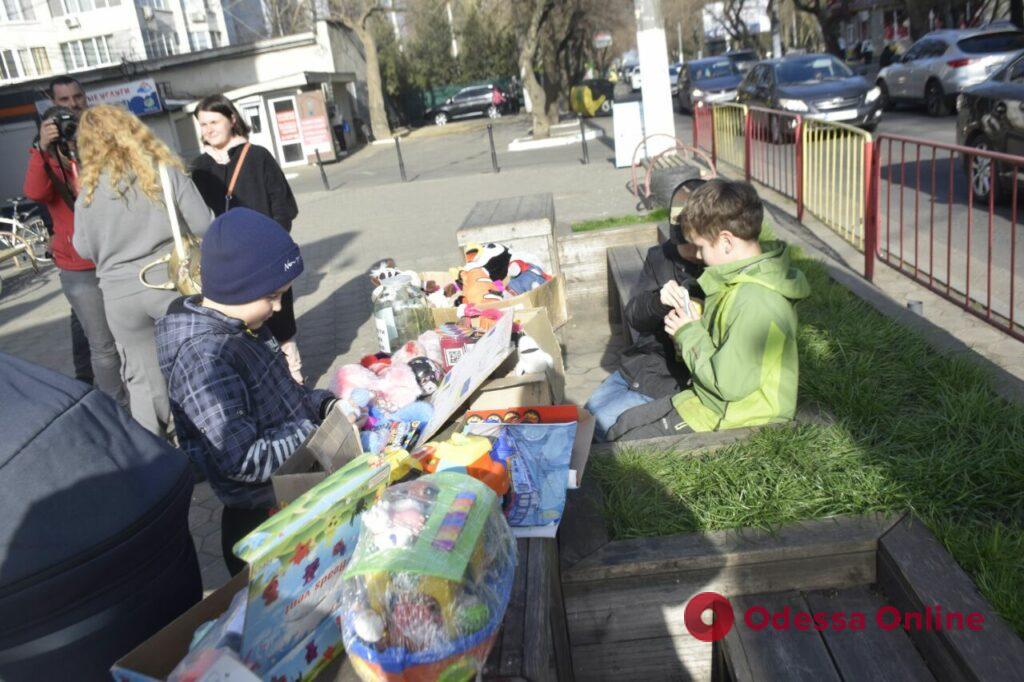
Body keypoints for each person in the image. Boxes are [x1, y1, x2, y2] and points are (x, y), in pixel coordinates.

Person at [155, 208, 342, 574]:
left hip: (290, 492)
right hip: (262, 522)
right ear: (235, 287)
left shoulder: (246, 326)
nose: (277, 307)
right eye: (272, 296)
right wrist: (313, 432)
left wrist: (325, 405)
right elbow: (240, 459)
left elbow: (289, 398)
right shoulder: (205, 358)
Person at [604, 180, 810, 441]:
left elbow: (728, 384)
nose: (698, 257)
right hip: (708, 401)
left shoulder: (756, 300)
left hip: (732, 417)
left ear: (726, 242)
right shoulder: (735, 281)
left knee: (624, 442)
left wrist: (688, 332)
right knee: (623, 423)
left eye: (701, 247)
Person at [73, 105, 213, 437]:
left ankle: (157, 456)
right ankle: (204, 442)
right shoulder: (163, 173)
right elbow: (204, 223)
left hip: (119, 296)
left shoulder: (88, 194)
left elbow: (82, 249)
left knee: (142, 379)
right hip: (170, 284)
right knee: (192, 365)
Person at [22, 76, 126, 402]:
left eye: (77, 98)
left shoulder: (102, 138)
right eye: (64, 102)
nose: (73, 106)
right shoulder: (44, 151)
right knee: (102, 345)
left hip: (117, 253)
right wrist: (44, 149)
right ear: (51, 108)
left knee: (131, 335)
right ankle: (117, 408)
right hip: (79, 265)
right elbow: (36, 192)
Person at [189, 94, 305, 384]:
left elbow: (284, 206)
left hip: (266, 258)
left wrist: (271, 247)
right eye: (202, 125)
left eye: (214, 121)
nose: (208, 130)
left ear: (232, 119)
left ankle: (295, 380)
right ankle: (261, 384)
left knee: (279, 323)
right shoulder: (199, 168)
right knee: (239, 327)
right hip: (229, 264)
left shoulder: (257, 156)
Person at [586, 216, 703, 441]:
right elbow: (634, 316)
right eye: (679, 241)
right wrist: (657, 301)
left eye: (691, 242)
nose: (685, 249)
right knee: (584, 419)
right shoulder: (661, 256)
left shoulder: (715, 270)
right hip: (639, 365)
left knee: (597, 431)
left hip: (669, 381)